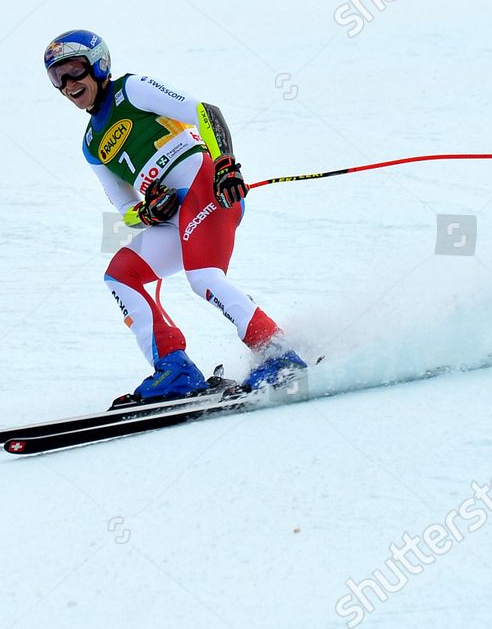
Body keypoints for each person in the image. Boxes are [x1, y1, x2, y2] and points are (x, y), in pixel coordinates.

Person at [44, 28, 305, 405]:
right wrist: (146, 212)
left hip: (207, 186)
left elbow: (205, 113)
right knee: (121, 275)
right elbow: (124, 209)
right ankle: (174, 368)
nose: (68, 84)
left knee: (203, 278)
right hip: (174, 218)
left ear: (99, 65)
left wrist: (225, 165)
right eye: (58, 77)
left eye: (74, 71)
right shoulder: (90, 145)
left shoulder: (130, 90)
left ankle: (277, 353)